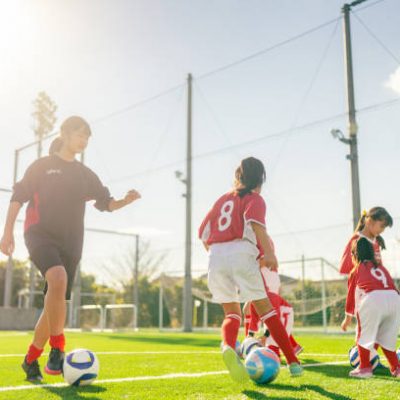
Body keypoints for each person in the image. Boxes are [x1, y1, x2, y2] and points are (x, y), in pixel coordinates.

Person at [0, 116, 141, 382]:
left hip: (72, 243)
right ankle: (58, 349)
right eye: (80, 134)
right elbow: (18, 197)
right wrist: (7, 232)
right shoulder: (42, 166)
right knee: (58, 278)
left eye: (87, 137)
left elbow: (106, 203)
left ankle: (30, 360)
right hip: (39, 234)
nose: (84, 140)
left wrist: (126, 200)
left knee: (54, 304)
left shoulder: (84, 175)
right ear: (64, 133)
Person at [198, 157, 302, 383]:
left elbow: (202, 233)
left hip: (215, 256)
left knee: (232, 313)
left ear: (238, 176)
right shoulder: (255, 199)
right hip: (242, 252)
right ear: (260, 179)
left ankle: (227, 346)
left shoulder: (222, 200)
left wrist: (218, 254)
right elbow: (256, 225)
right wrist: (269, 253)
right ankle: (293, 362)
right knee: (267, 311)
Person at [341, 237, 400, 378]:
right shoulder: (381, 268)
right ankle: (396, 368)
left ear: (355, 255)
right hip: (395, 299)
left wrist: (347, 318)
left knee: (363, 333)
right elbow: (392, 288)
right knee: (386, 336)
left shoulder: (356, 270)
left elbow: (351, 297)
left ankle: (365, 368)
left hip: (373, 298)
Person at [338, 207, 393, 275]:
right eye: (382, 226)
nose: (383, 230)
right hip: (361, 284)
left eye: (385, 227)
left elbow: (378, 268)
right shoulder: (356, 240)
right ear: (369, 221)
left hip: (374, 284)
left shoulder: (376, 241)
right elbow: (345, 269)